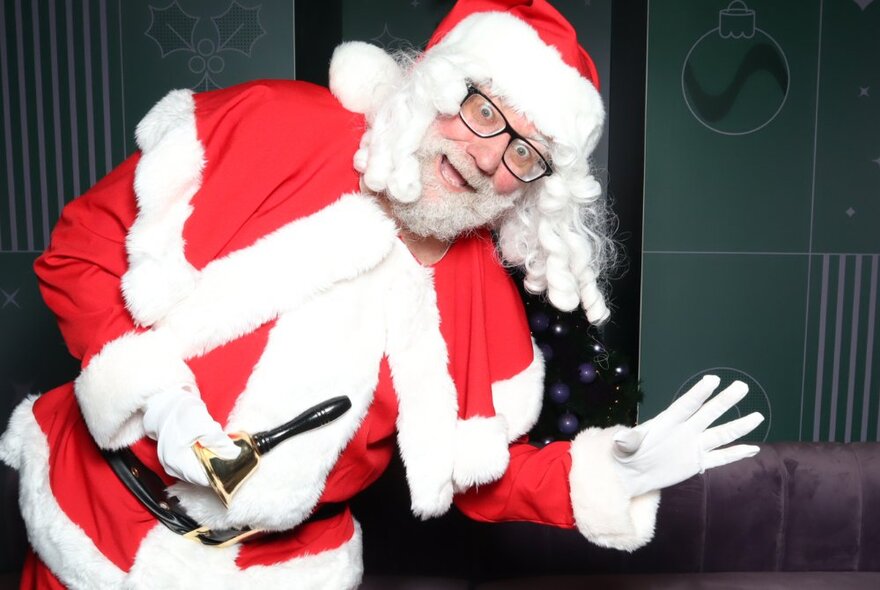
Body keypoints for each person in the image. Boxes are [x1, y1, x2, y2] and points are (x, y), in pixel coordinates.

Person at [0, 1, 763, 588]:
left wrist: (605, 475)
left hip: (278, 572)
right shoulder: (271, 123)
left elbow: (484, 477)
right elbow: (78, 252)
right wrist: (154, 399)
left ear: (531, 188)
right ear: (434, 86)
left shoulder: (482, 302)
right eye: (484, 110)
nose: (485, 155)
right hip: (92, 524)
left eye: (522, 152)